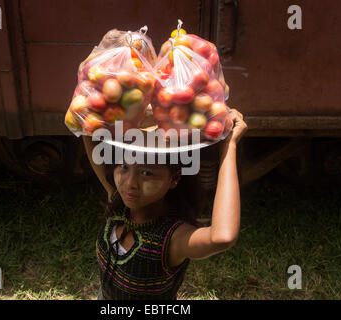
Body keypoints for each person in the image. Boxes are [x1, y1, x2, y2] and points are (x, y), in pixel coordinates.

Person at [82, 109, 248, 300]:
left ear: (174, 179)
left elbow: (222, 237)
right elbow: (87, 132)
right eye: (124, 167)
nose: (129, 184)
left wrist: (229, 146)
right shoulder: (119, 205)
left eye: (146, 173)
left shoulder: (173, 238)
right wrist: (89, 110)